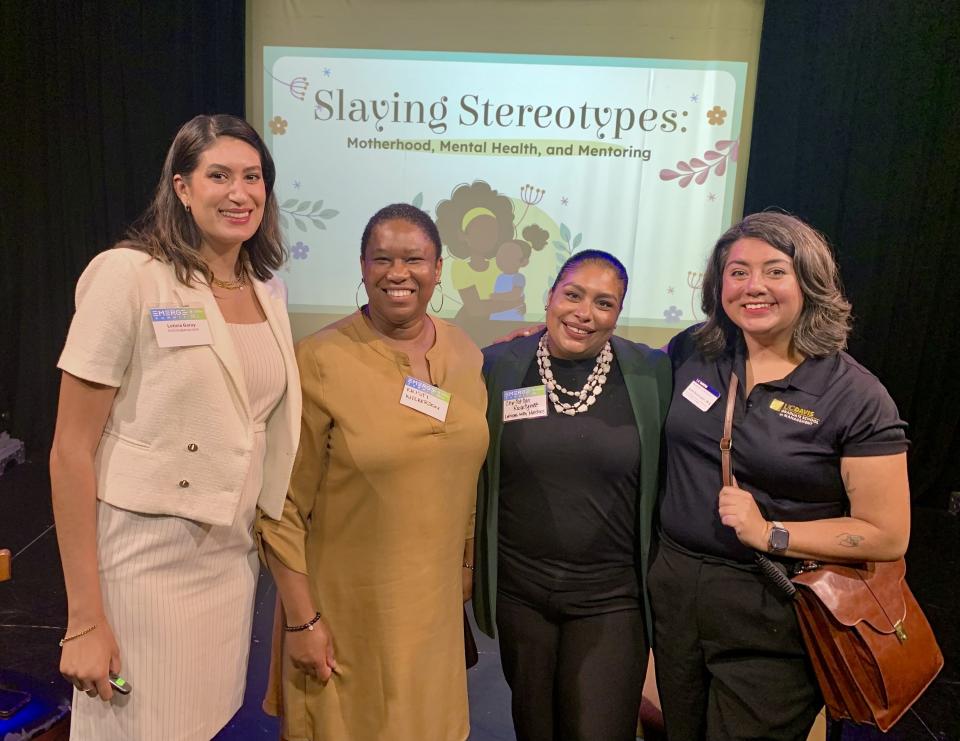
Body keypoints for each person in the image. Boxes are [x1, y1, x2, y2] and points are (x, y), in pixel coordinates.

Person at [50, 114, 300, 740]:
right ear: (182, 187)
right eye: (219, 176)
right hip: (141, 566)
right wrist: (84, 619)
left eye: (253, 177)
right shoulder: (129, 276)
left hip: (229, 560)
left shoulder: (267, 290)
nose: (239, 193)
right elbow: (70, 451)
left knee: (204, 725)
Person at [648, 212, 910, 740]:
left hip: (773, 606)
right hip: (676, 595)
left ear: (808, 283)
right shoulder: (694, 353)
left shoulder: (854, 395)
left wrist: (773, 532)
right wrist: (542, 344)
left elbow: (887, 533)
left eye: (774, 271)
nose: (753, 287)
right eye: (738, 272)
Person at [258, 203, 489, 740]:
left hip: (432, 616)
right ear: (362, 267)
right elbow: (283, 507)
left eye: (415, 259)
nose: (398, 273)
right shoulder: (319, 359)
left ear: (438, 267)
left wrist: (466, 569)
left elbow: (468, 475)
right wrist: (302, 620)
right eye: (381, 258)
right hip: (343, 615)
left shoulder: (463, 351)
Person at [473, 250, 672, 741]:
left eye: (604, 303)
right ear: (550, 297)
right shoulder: (498, 365)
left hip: (612, 598)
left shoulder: (652, 374)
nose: (584, 313)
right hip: (520, 592)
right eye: (573, 295)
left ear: (619, 314)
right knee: (535, 728)